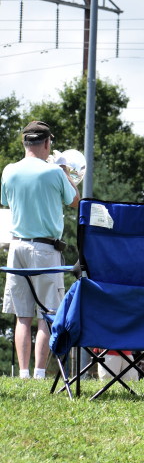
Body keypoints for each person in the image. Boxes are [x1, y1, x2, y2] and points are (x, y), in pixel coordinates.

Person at [1, 121, 79, 379]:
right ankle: (39, 373)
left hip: (17, 247)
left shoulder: (9, 171)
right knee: (47, 314)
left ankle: (23, 373)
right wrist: (65, 172)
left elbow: (5, 202)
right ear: (46, 143)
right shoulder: (54, 172)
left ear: (25, 142)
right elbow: (75, 201)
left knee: (22, 316)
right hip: (45, 249)